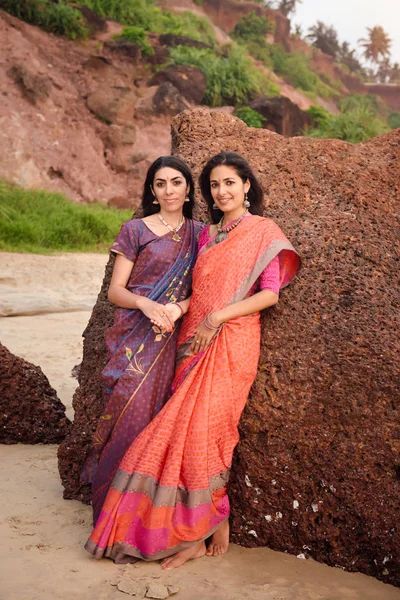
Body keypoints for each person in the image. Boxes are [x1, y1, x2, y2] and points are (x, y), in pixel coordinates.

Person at [85, 151, 301, 567]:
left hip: (232, 342)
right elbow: (195, 293)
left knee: (209, 433)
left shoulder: (262, 231)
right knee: (177, 436)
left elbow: (269, 294)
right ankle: (196, 529)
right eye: (215, 185)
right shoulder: (207, 235)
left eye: (230, 183)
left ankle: (213, 520)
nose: (222, 191)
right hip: (191, 341)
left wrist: (217, 318)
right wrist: (181, 312)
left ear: (247, 187)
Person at [81, 156, 203, 525]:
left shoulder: (201, 235)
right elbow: (116, 291)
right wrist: (147, 304)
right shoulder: (135, 230)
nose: (169, 190)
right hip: (134, 336)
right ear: (152, 190)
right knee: (124, 411)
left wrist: (178, 309)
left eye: (176, 182)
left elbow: (205, 290)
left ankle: (145, 509)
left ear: (187, 189)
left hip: (174, 336)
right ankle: (108, 505)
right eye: (160, 183)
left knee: (161, 419)